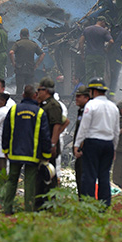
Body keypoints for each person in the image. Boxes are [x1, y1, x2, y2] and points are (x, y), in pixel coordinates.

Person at [1, 85, 51, 214]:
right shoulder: (39, 112)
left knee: (12, 181)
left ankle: (7, 209)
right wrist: (46, 154)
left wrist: (5, 150)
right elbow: (45, 135)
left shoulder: (13, 110)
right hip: (32, 154)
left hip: (15, 153)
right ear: (35, 95)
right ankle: (28, 210)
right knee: (30, 183)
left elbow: (6, 131)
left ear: (23, 95)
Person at [73, 78, 119, 207]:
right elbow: (116, 130)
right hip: (108, 144)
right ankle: (104, 204)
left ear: (93, 91)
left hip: (93, 142)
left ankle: (89, 203)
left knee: (90, 175)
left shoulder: (91, 106)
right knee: (104, 176)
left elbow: (84, 127)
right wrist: (114, 148)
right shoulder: (113, 107)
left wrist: (77, 144)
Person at [35, 77, 69, 209]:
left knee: (50, 174)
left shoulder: (53, 105)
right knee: (42, 174)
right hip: (42, 144)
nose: (38, 93)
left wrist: (53, 143)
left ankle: (51, 202)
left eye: (40, 90)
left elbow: (57, 125)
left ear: (46, 90)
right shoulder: (44, 104)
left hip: (49, 145)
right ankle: (42, 201)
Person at [9, 28, 45, 95]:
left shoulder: (17, 43)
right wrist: (37, 64)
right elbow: (42, 54)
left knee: (19, 89)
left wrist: (13, 63)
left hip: (20, 69)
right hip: (30, 68)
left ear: (20, 35)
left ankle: (19, 102)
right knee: (30, 90)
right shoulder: (33, 44)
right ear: (28, 35)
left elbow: (11, 52)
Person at [77, 16, 113, 82]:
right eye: (105, 24)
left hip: (89, 55)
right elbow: (111, 41)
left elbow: (81, 42)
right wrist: (107, 49)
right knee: (100, 76)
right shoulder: (104, 31)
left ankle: (89, 91)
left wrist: (82, 54)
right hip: (100, 56)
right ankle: (99, 91)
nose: (105, 26)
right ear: (102, 22)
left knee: (89, 75)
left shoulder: (87, 29)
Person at [71, 85, 91, 197]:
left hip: (85, 151)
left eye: (79, 96)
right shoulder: (81, 110)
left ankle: (85, 200)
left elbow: (86, 131)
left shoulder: (88, 111)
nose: (76, 98)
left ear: (86, 98)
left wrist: (81, 147)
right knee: (79, 174)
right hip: (80, 150)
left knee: (84, 176)